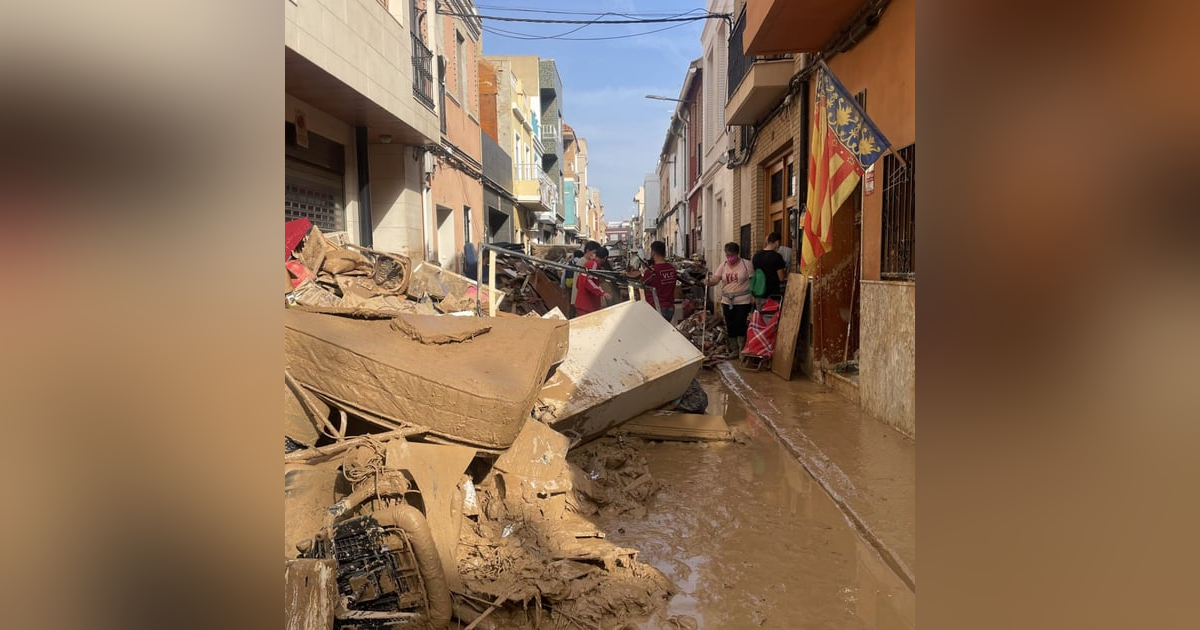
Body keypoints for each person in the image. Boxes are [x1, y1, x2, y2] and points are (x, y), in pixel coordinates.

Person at [703, 242, 754, 355]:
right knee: (730, 324)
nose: (730, 258)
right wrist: (709, 282)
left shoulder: (746, 264)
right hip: (727, 301)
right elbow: (716, 280)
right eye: (728, 255)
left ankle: (742, 349)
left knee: (740, 324)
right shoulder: (723, 265)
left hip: (743, 301)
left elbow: (753, 281)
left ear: (737, 254)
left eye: (732, 255)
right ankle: (734, 349)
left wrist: (753, 297)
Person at [632, 240, 678, 321]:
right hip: (670, 309)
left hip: (657, 309)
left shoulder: (651, 271)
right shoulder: (672, 269)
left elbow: (640, 285)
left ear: (653, 252)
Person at [573, 241, 612, 317]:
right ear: (605, 258)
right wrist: (602, 293)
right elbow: (588, 281)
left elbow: (579, 283)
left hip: (584, 303)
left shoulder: (589, 263)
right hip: (587, 304)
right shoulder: (593, 265)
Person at [752, 232, 789, 307]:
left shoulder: (756, 256)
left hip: (759, 293)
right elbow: (781, 278)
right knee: (771, 317)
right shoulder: (777, 257)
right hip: (772, 295)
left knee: (760, 317)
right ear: (777, 242)